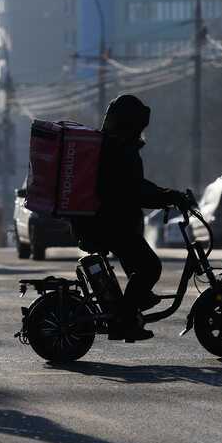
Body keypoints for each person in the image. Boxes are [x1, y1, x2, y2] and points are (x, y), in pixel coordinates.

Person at [72, 94, 191, 342]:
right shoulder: (118, 150)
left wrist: (166, 196)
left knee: (139, 266)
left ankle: (132, 306)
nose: (141, 131)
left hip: (107, 223)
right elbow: (134, 190)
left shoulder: (113, 147)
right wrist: (170, 196)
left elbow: (134, 189)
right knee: (150, 268)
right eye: (138, 125)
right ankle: (123, 322)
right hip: (109, 225)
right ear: (129, 124)